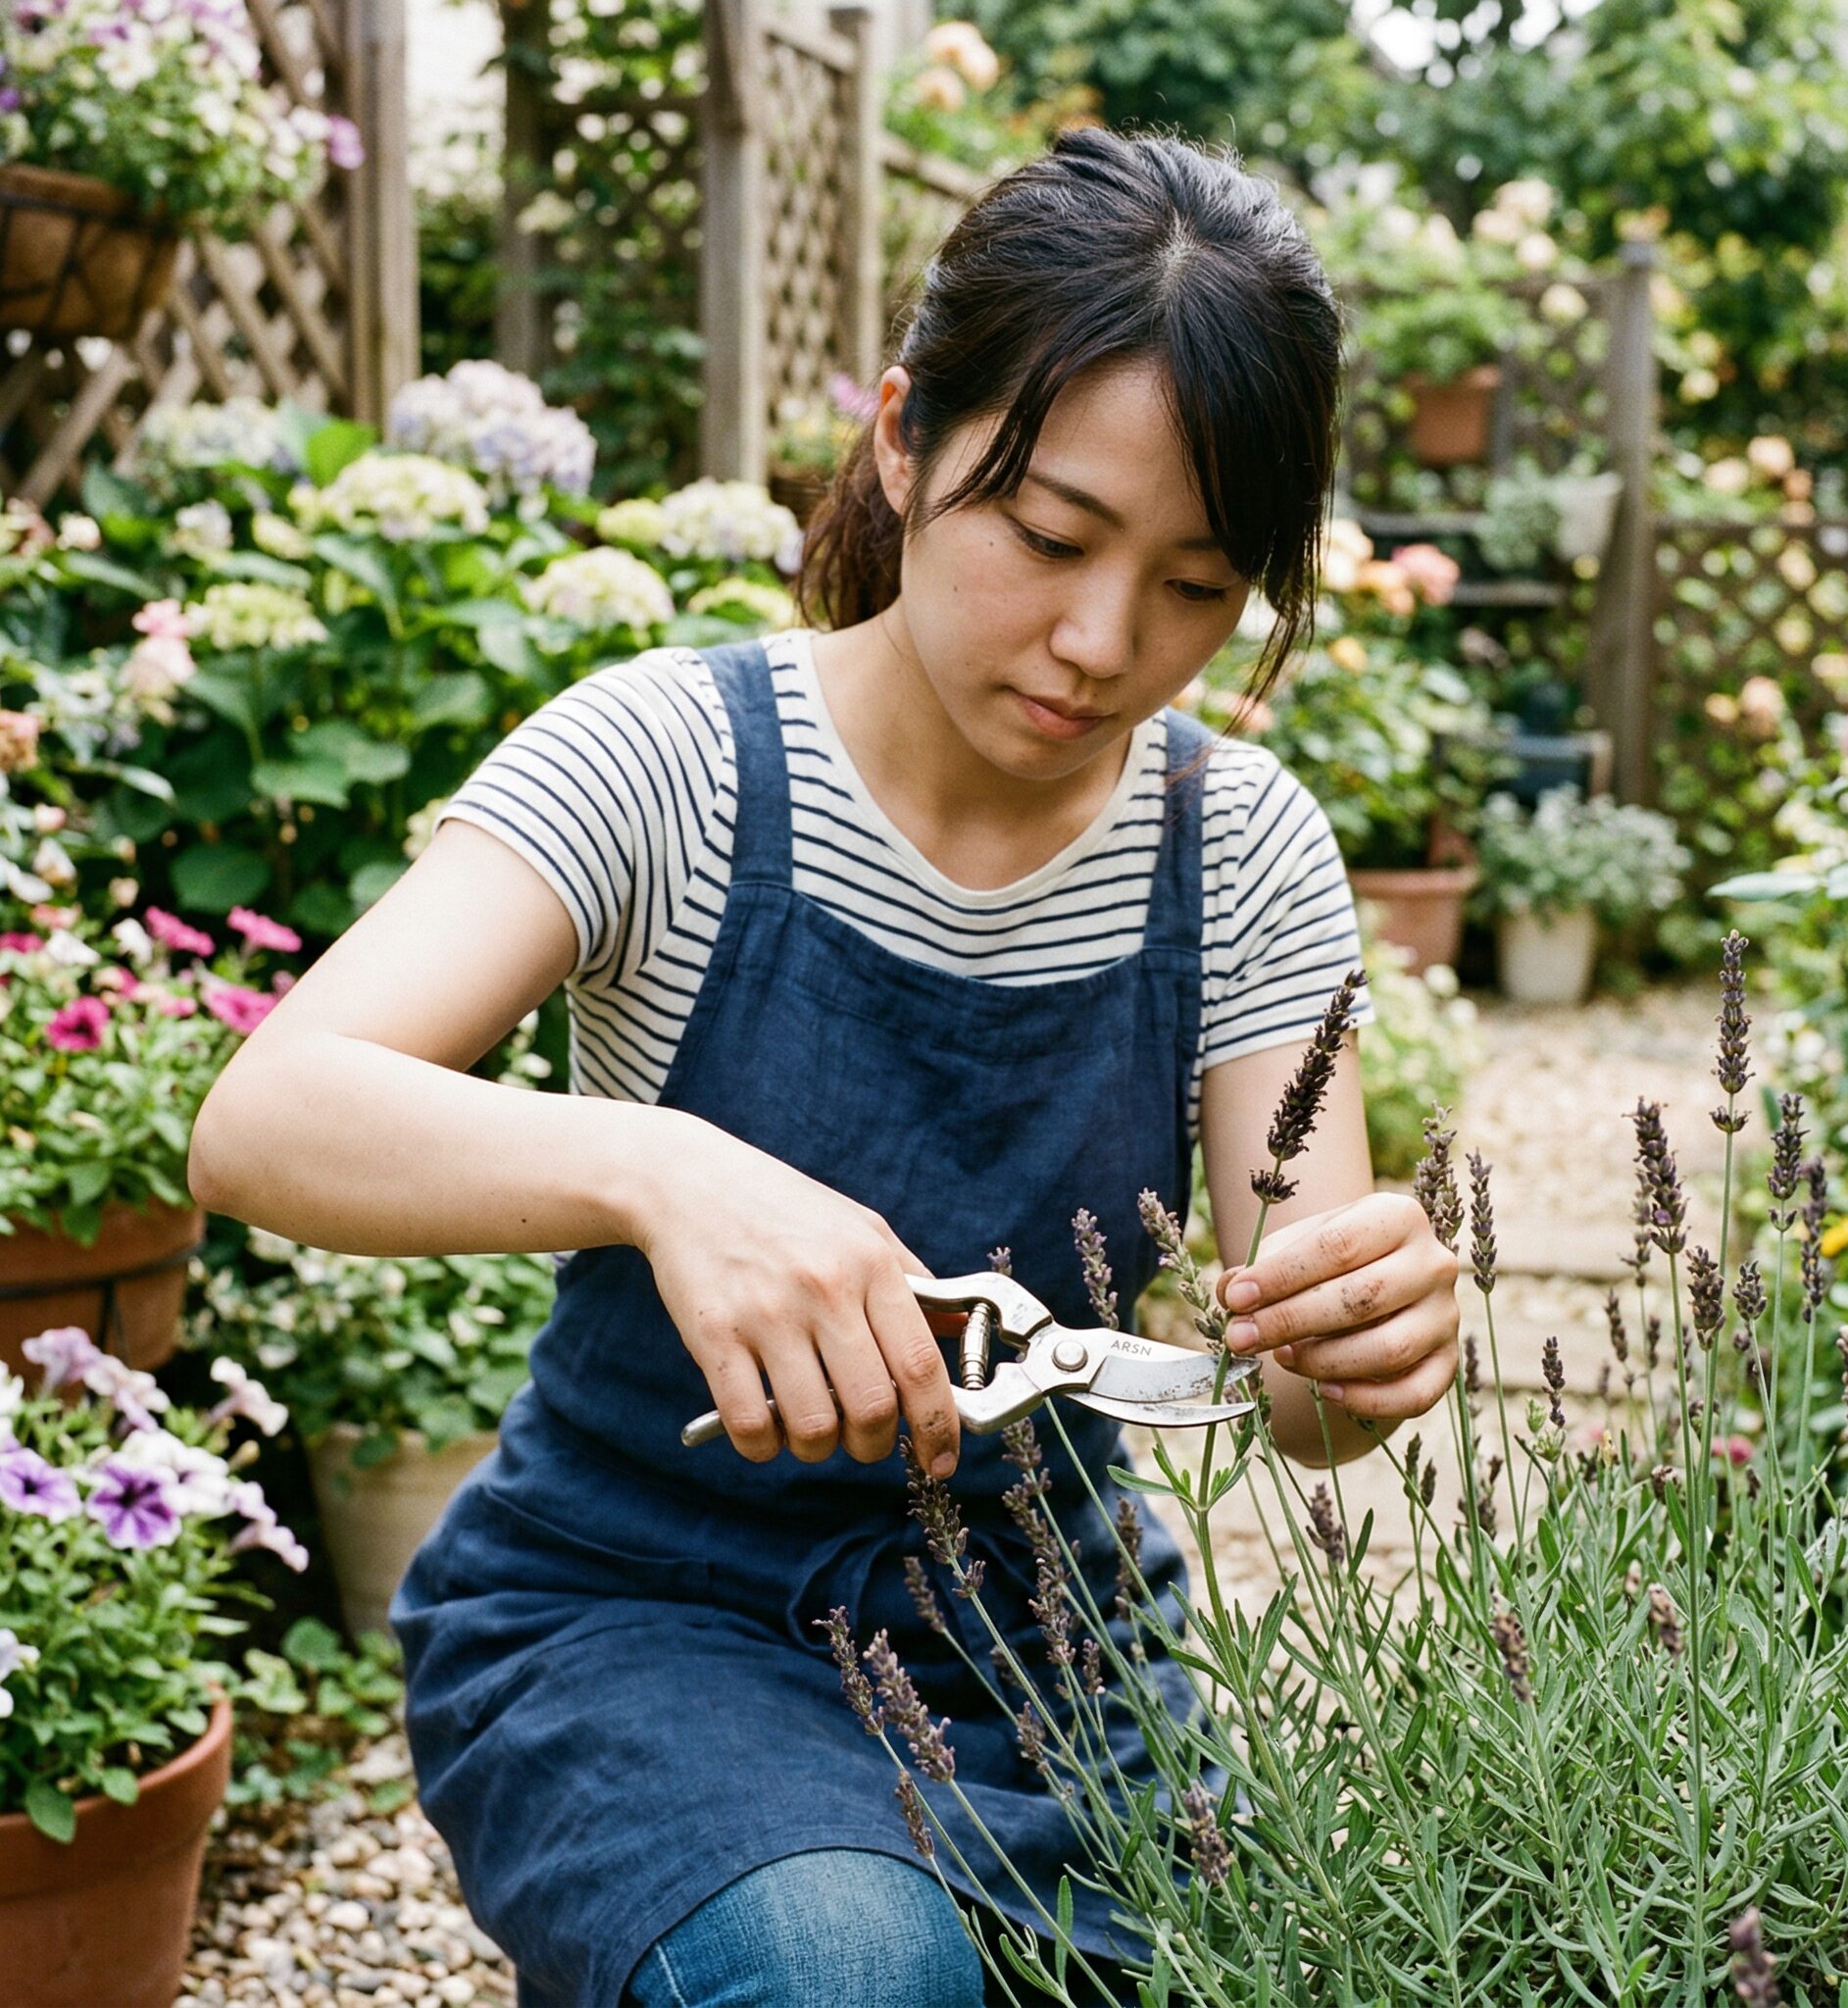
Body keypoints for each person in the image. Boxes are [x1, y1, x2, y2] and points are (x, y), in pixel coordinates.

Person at [188, 126, 1461, 2008]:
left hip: (1054, 1662)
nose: (1103, 645)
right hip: (636, 1627)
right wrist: (663, 1171)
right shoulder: (674, 763)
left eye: (1197, 588)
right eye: (1050, 537)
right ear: (900, 436)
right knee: (847, 1980)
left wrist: (1363, 1347)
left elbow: (1296, 1393)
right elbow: (267, 1115)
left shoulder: (1241, 848)